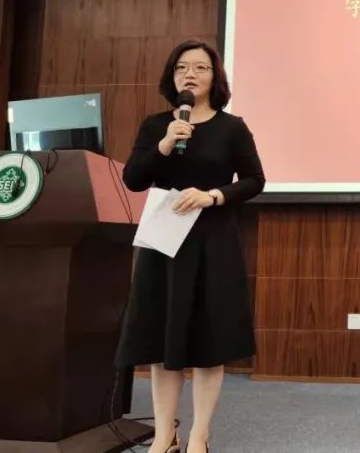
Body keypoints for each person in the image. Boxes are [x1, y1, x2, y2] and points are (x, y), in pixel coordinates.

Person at [115, 39, 265, 453]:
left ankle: (199, 435)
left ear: (214, 77)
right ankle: (165, 435)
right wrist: (164, 145)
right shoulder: (156, 126)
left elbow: (255, 180)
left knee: (208, 342)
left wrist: (213, 195)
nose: (190, 74)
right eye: (182, 67)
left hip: (213, 241)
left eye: (200, 67)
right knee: (162, 342)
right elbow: (134, 180)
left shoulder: (232, 127)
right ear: (172, 76)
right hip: (164, 243)